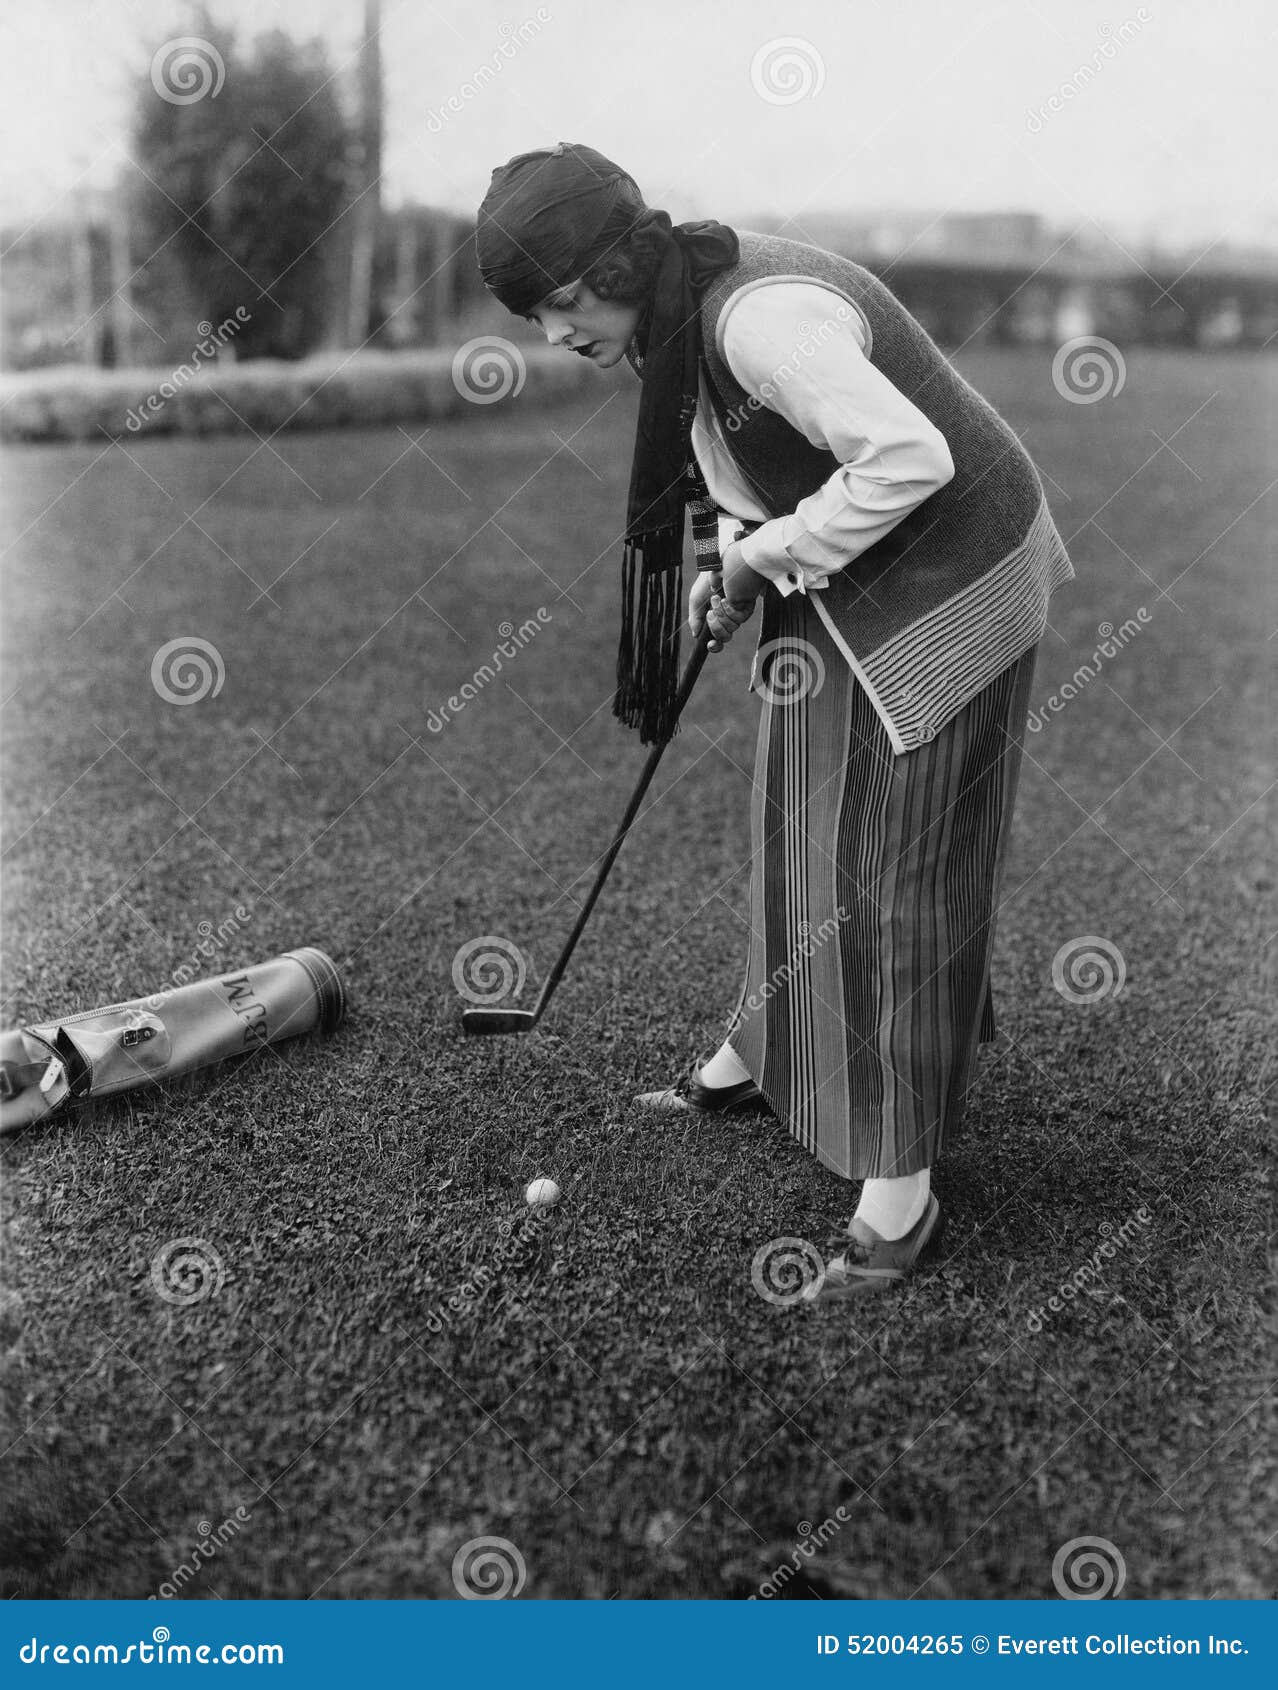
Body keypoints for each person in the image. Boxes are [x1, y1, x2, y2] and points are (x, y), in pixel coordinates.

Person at [475, 142, 1074, 1301]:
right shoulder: (674, 313)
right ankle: (759, 1054)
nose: (553, 333)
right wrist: (728, 561)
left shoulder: (759, 321)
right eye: (533, 313)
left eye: (558, 303)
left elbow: (911, 458)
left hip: (955, 573)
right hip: (844, 568)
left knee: (895, 873)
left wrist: (763, 556)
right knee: (791, 818)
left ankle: (900, 1194)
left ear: (615, 263)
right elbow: (724, 465)